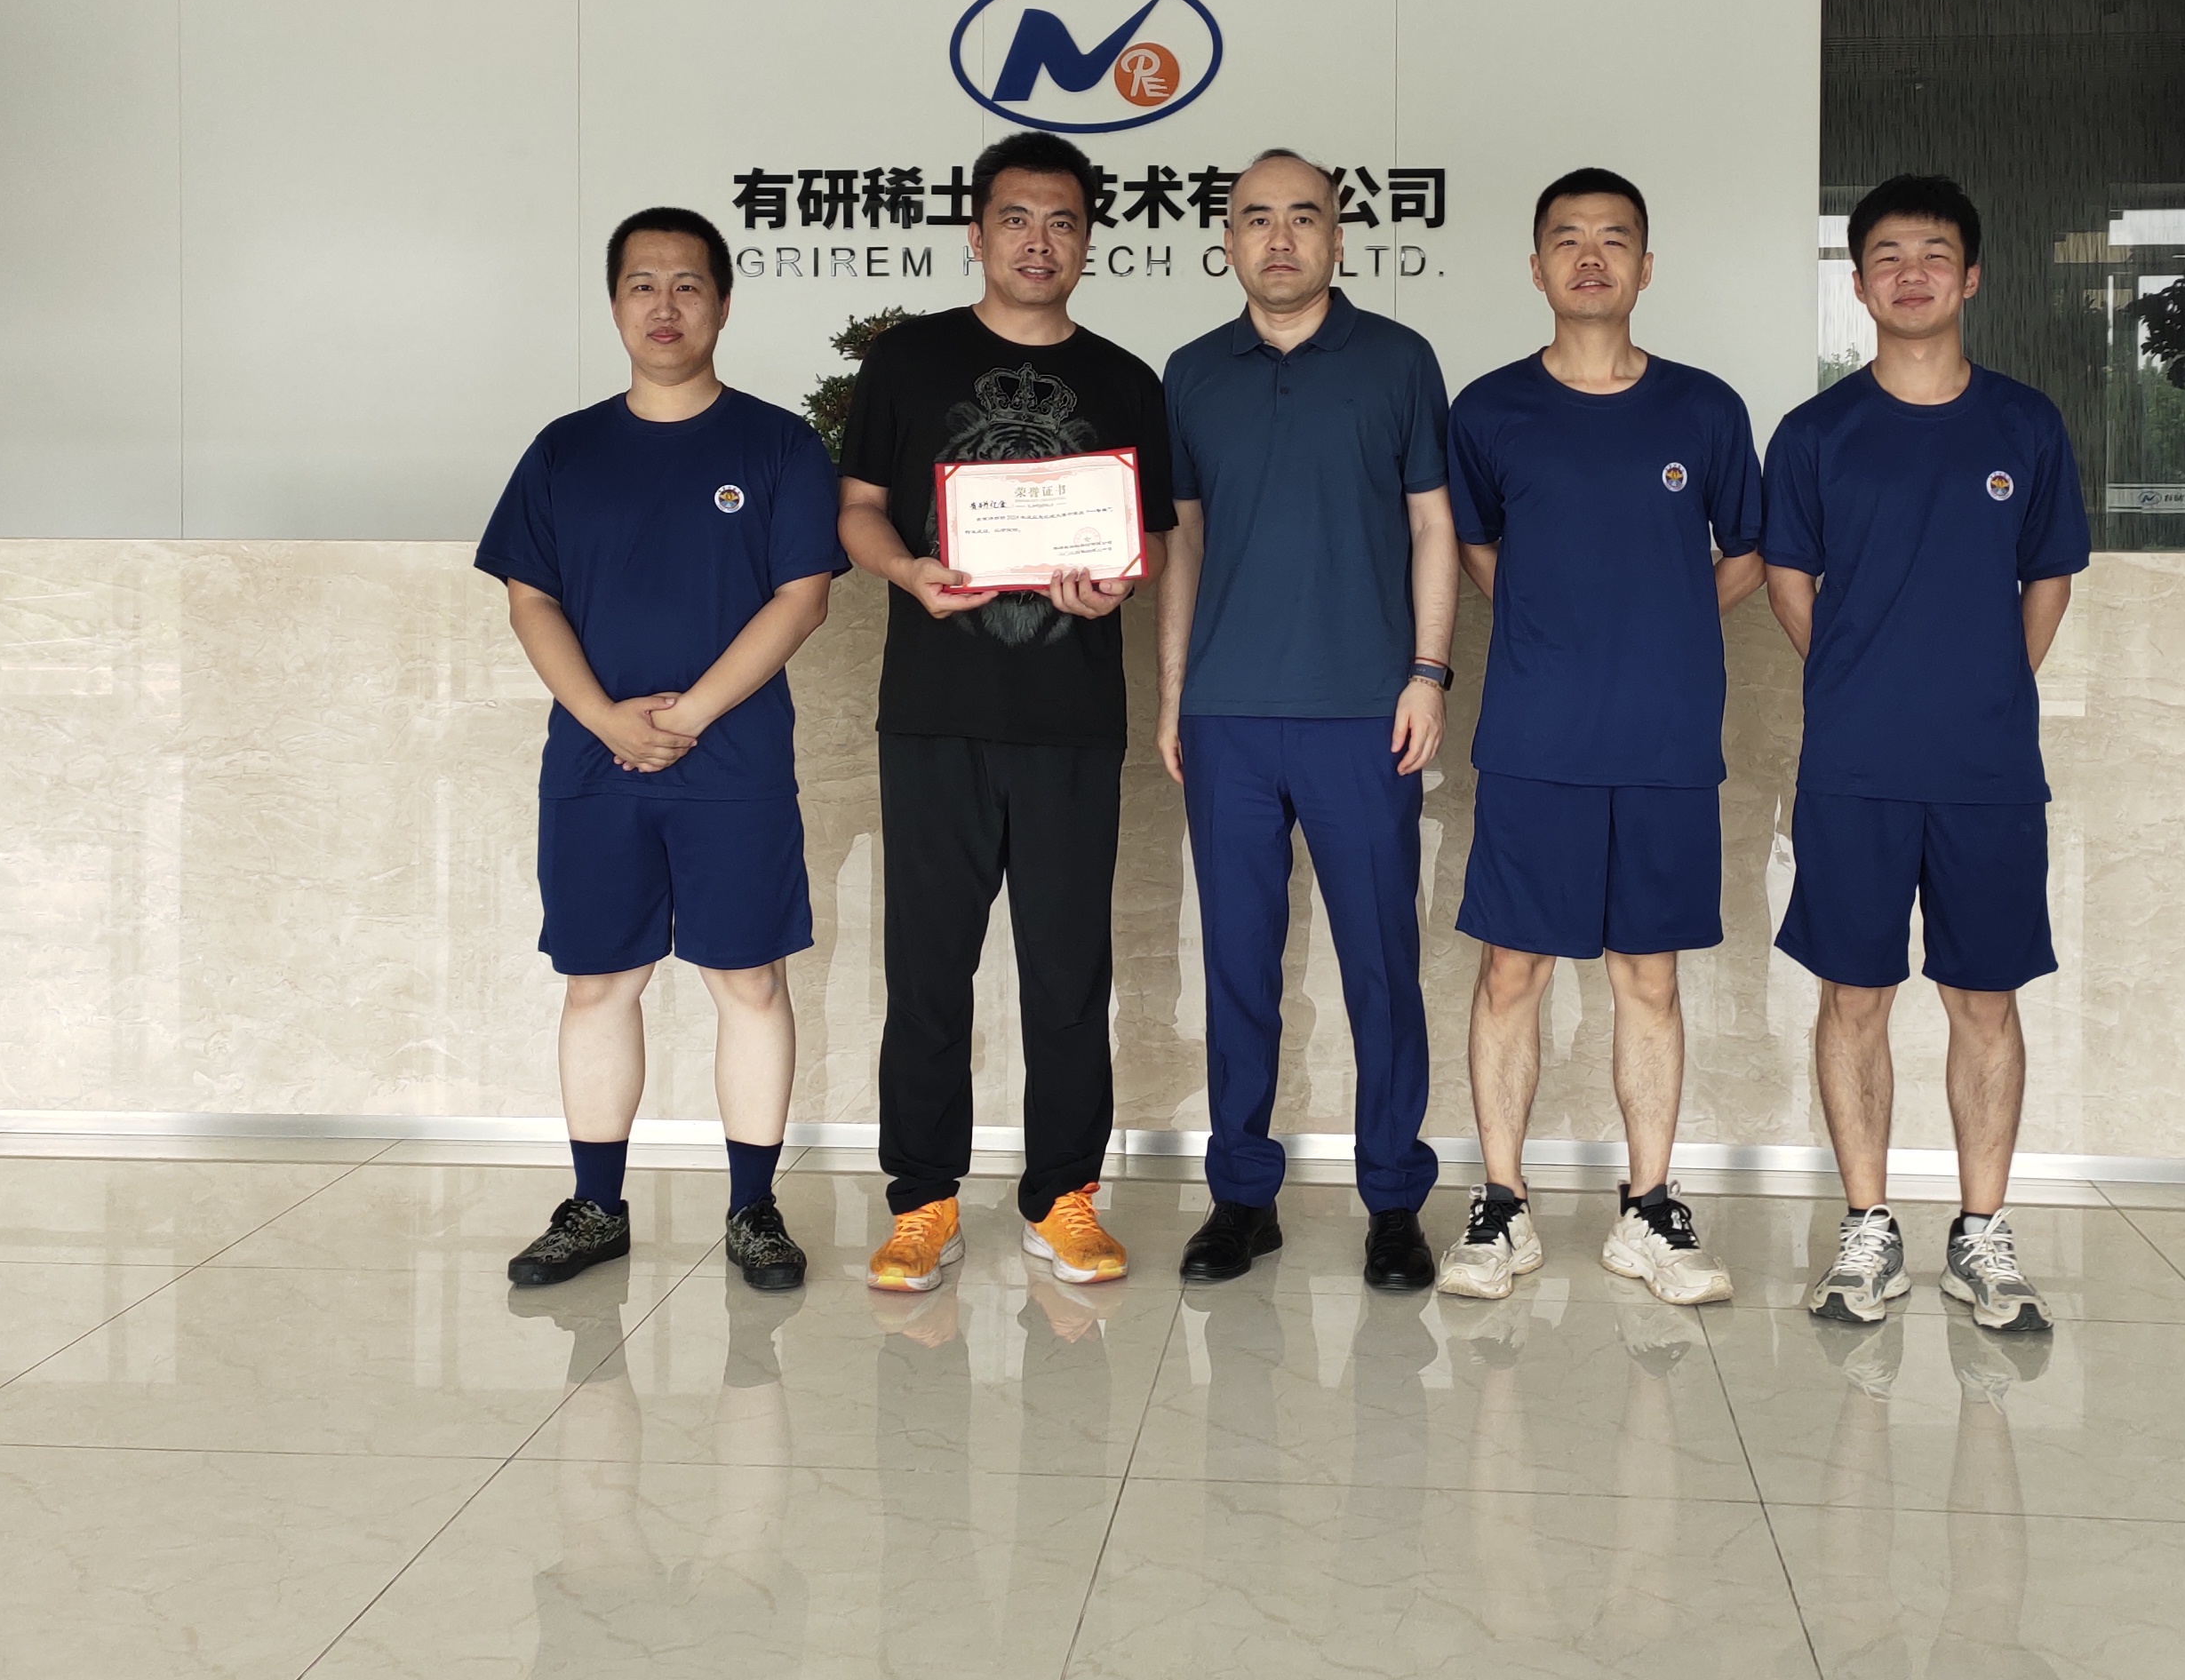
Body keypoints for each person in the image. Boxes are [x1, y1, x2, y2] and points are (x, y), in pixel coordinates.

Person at [481, 206, 843, 1295]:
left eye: (688, 284)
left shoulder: (779, 445)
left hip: (734, 765)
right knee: (599, 983)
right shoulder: (565, 449)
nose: (665, 305)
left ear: (723, 303)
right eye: (642, 284)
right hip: (594, 767)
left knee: (749, 980)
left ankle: (753, 1210)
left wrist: (688, 717)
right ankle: (595, 1206)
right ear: (614, 305)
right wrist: (604, 717)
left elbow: (803, 597)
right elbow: (530, 599)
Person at [838, 131, 1176, 1294]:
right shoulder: (907, 361)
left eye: (1064, 222)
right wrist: (906, 571)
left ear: (1089, 241)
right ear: (977, 234)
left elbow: (1151, 540)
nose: (1040, 242)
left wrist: (1118, 584)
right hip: (934, 713)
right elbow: (858, 508)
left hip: (1071, 717)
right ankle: (922, 1201)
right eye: (1018, 220)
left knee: (1068, 973)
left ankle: (1062, 1197)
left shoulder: (1127, 382)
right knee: (928, 968)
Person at [1762, 173, 2087, 1334]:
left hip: (1986, 768)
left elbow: (2048, 579)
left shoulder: (2026, 426)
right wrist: (1858, 676)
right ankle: (1868, 1228)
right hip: (1852, 765)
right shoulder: (1815, 434)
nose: (1911, 273)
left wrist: (1989, 683)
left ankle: (1981, 1233)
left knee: (1983, 999)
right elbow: (1787, 581)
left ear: (1972, 276)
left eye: (1934, 253)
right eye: (1887, 256)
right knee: (1853, 995)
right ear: (1857, 285)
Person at [1436, 168, 1766, 1306]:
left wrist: (1666, 618)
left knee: (1648, 976)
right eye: (1567, 240)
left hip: (1665, 739)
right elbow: (1475, 546)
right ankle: (1501, 1205)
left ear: (1645, 266)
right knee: (1510, 971)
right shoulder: (1487, 411)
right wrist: (1551, 623)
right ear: (1535, 269)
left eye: (1614, 239)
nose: (1590, 257)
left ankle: (1649, 1208)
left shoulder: (1704, 409)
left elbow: (1746, 552)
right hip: (1535, 736)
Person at [1156, 148, 1458, 1293]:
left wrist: (1427, 672)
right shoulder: (1192, 372)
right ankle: (1242, 1194)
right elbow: (1183, 542)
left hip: (1362, 713)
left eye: (1302, 217)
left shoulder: (1398, 359)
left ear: (1338, 236)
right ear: (1226, 240)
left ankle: (1393, 1199)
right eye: (1254, 219)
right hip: (1227, 716)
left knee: (1381, 964)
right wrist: (1174, 695)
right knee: (1237, 965)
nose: (1277, 239)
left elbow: (1431, 525)